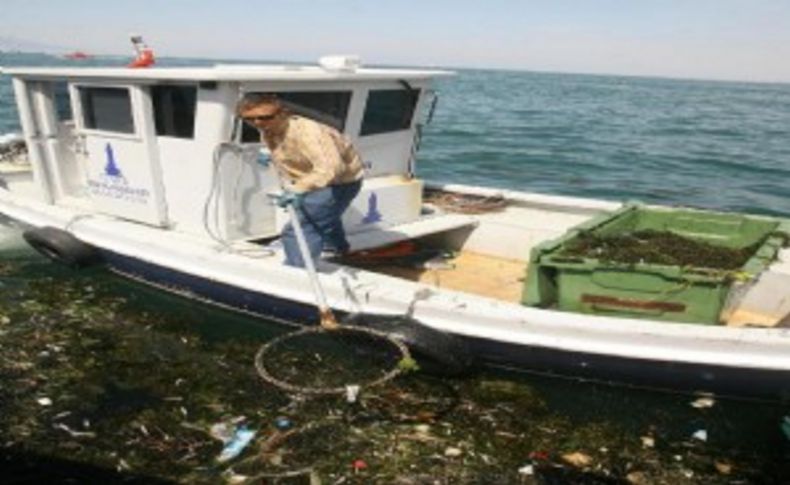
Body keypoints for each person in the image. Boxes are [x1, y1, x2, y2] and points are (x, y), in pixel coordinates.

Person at [237, 94, 364, 267]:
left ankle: (297, 269)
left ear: (283, 113)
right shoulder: (269, 128)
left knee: (300, 230)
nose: (257, 123)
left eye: (264, 117)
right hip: (311, 179)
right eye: (249, 119)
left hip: (337, 183)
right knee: (325, 217)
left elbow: (331, 169)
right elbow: (279, 144)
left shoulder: (309, 132)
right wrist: (270, 153)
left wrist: (298, 189)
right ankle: (336, 248)